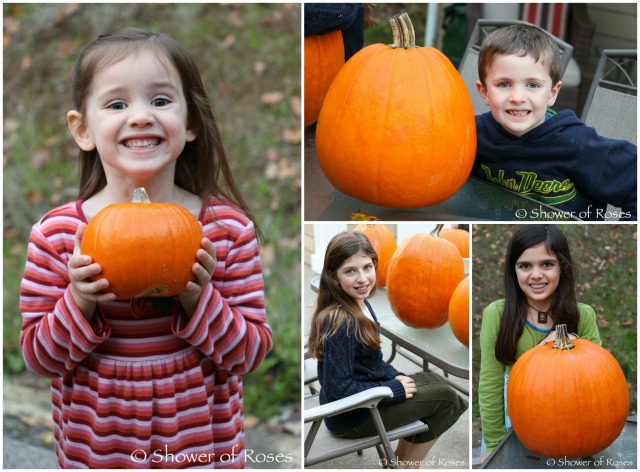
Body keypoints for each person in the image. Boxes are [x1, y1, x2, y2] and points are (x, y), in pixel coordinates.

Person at [19, 27, 272, 469]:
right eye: (117, 104)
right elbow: (40, 359)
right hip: (98, 452)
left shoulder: (226, 231)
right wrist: (79, 300)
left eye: (159, 100)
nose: (140, 116)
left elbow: (248, 355)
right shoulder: (58, 235)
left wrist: (198, 296)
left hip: (199, 451)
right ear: (83, 130)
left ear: (190, 122)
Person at [307, 231, 468, 469]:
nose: (362, 278)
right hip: (352, 416)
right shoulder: (342, 322)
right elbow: (338, 389)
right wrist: (391, 389)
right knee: (448, 401)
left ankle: (397, 459)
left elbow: (373, 363)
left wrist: (395, 376)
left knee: (434, 380)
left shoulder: (359, 304)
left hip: (365, 402)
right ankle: (407, 465)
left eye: (367, 267)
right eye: (350, 271)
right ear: (333, 277)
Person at [473, 24, 637, 221]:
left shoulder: (578, 145)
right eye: (504, 84)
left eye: (532, 85)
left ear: (552, 93)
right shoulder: (474, 135)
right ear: (485, 92)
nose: (517, 97)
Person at [478, 225, 601, 462]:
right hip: (514, 417)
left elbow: (598, 382)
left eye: (547, 264)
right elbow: (490, 384)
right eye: (525, 266)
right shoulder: (498, 313)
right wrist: (494, 443)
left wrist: (575, 342)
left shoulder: (583, 315)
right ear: (513, 271)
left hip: (572, 422)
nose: (536, 274)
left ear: (562, 267)